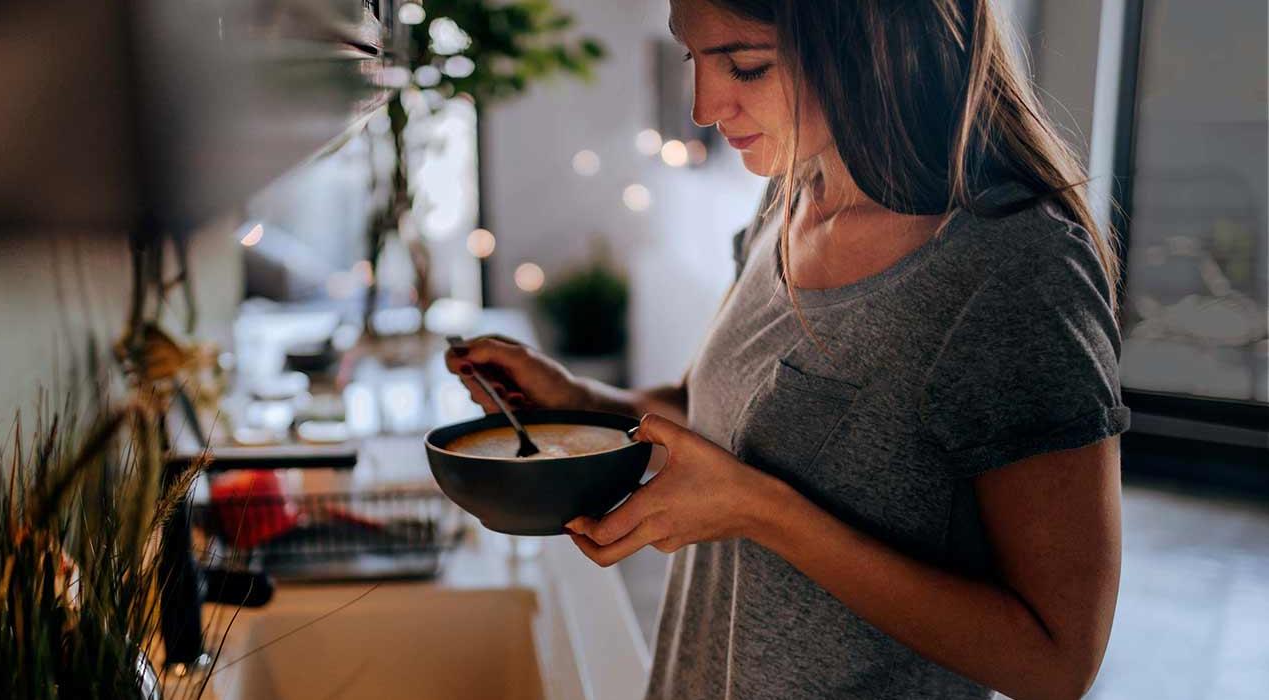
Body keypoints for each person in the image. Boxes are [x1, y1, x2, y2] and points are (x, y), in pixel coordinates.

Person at [445, 1, 1128, 698]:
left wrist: (764, 513)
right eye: (693, 57)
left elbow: (1056, 662)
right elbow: (712, 417)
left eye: (746, 64)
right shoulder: (790, 197)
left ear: (875, 42)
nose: (706, 107)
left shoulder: (1016, 272)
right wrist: (580, 403)